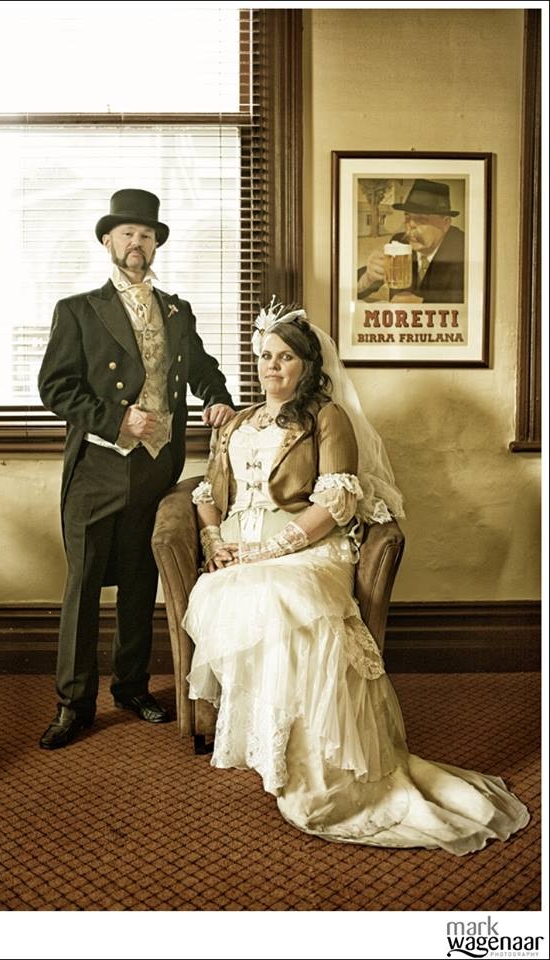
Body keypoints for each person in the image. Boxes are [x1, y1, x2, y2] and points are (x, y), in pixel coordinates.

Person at [181, 299, 529, 853]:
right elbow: (206, 492)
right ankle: (273, 753)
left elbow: (336, 501)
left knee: (283, 595)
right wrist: (214, 542)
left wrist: (269, 550)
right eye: (266, 356)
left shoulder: (327, 417)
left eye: (285, 357)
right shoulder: (239, 422)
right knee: (233, 591)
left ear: (307, 365)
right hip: (239, 551)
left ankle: (321, 775)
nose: (272, 367)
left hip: (308, 548)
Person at [38, 189, 235, 749]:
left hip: (154, 467)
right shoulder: (78, 310)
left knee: (139, 580)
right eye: (127, 233)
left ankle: (130, 687)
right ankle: (74, 703)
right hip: (98, 467)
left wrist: (217, 397)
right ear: (108, 240)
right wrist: (118, 418)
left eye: (146, 235)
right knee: (83, 586)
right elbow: (55, 388)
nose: (136, 242)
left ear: (155, 245)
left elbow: (201, 368)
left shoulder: (177, 310)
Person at [357, 179, 465, 303]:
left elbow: (471, 304)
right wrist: (368, 278)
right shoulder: (400, 243)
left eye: (421, 219)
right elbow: (347, 291)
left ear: (445, 224)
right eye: (407, 218)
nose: (410, 226)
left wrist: (423, 305)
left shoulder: (464, 248)